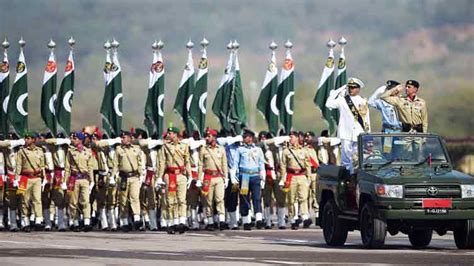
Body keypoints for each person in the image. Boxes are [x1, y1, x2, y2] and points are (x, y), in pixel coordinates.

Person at [326, 77, 371, 173]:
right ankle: (347, 175)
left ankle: (355, 175)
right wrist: (338, 90)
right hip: (345, 133)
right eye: (349, 87)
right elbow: (328, 104)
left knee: (357, 157)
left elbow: (366, 119)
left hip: (359, 132)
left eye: (353, 87)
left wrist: (368, 133)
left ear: (358, 89)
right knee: (346, 157)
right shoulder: (342, 100)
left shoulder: (363, 101)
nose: (351, 89)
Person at [156, 126, 192, 234]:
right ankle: (171, 222)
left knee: (182, 200)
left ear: (176, 135)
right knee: (170, 201)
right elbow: (162, 163)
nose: (168, 135)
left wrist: (190, 175)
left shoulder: (184, 146)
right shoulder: (165, 147)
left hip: (181, 175)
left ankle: (181, 221)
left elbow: (187, 162)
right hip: (170, 175)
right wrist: (159, 177)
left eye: (171, 133)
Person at [231, 129, 265, 230]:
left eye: (247, 137)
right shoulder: (240, 149)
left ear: (251, 138)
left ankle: (259, 219)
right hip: (244, 176)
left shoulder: (258, 149)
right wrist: (234, 177)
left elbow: (261, 163)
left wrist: (263, 177)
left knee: (257, 198)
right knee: (244, 198)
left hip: (255, 176)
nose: (245, 138)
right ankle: (246, 220)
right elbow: (235, 163)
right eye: (244, 137)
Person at [111, 131, 145, 232]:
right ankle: (124, 221)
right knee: (123, 200)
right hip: (123, 177)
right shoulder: (118, 149)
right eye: (122, 138)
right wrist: (113, 176)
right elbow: (115, 164)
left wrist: (141, 175)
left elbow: (139, 163)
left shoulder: (136, 149)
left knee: (135, 197)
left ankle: (137, 219)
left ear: (130, 138)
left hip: (134, 177)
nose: (122, 139)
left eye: (124, 137)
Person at [279, 131, 311, 230]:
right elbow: (283, 166)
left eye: (292, 137)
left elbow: (308, 165)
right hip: (291, 176)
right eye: (290, 137)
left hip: (301, 175)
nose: (290, 139)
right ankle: (293, 218)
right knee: (291, 199)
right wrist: (282, 178)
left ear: (297, 138)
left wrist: (308, 177)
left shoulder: (304, 150)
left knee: (303, 197)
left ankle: (305, 217)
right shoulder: (286, 151)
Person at [64, 132, 95, 232]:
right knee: (73, 202)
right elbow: (67, 167)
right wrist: (65, 181)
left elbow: (90, 167)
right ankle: (75, 222)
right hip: (74, 178)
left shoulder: (88, 151)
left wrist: (92, 181)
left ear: (80, 140)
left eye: (75, 138)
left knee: (85, 201)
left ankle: (86, 222)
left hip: (85, 179)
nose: (73, 140)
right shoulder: (70, 152)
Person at [15, 132, 46, 231]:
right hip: (24, 178)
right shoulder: (21, 151)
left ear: (34, 140)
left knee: (37, 199)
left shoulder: (40, 151)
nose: (26, 140)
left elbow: (42, 165)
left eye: (28, 138)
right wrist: (17, 178)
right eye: (26, 138)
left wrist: (43, 175)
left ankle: (38, 220)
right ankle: (25, 221)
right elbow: (18, 166)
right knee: (24, 200)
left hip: (37, 178)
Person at [198, 128, 228, 231]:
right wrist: (199, 178)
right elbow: (200, 164)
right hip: (208, 177)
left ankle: (222, 220)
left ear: (214, 137)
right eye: (206, 136)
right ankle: (210, 221)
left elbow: (224, 164)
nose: (207, 138)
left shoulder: (221, 149)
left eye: (209, 136)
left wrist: (226, 177)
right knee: (208, 201)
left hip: (218, 177)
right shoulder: (204, 149)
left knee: (220, 199)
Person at [304, 131, 319, 228]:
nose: (307, 138)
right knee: (306, 196)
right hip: (307, 175)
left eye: (309, 137)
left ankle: (317, 215)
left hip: (316, 173)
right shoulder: (304, 149)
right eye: (306, 137)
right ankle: (307, 216)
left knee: (315, 195)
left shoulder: (318, 148)